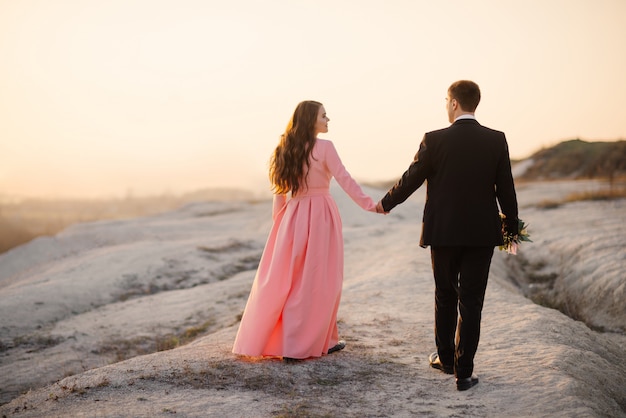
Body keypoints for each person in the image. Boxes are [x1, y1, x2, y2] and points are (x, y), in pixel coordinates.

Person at [376, 80, 519, 391]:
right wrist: (512, 228)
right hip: (482, 233)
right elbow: (505, 189)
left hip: (443, 231)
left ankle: (446, 359)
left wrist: (386, 203)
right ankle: (464, 373)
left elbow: (411, 178)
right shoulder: (496, 140)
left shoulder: (434, 139)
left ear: (454, 103)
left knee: (445, 295)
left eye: (446, 100)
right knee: (472, 301)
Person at [233, 100, 379, 360]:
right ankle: (315, 342)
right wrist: (371, 205)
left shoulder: (285, 148)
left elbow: (279, 192)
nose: (328, 119)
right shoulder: (325, 147)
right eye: (324, 115)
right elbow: (344, 178)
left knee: (292, 281)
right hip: (321, 215)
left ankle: (307, 341)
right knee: (322, 281)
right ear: (311, 119)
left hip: (293, 216)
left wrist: (279, 223)